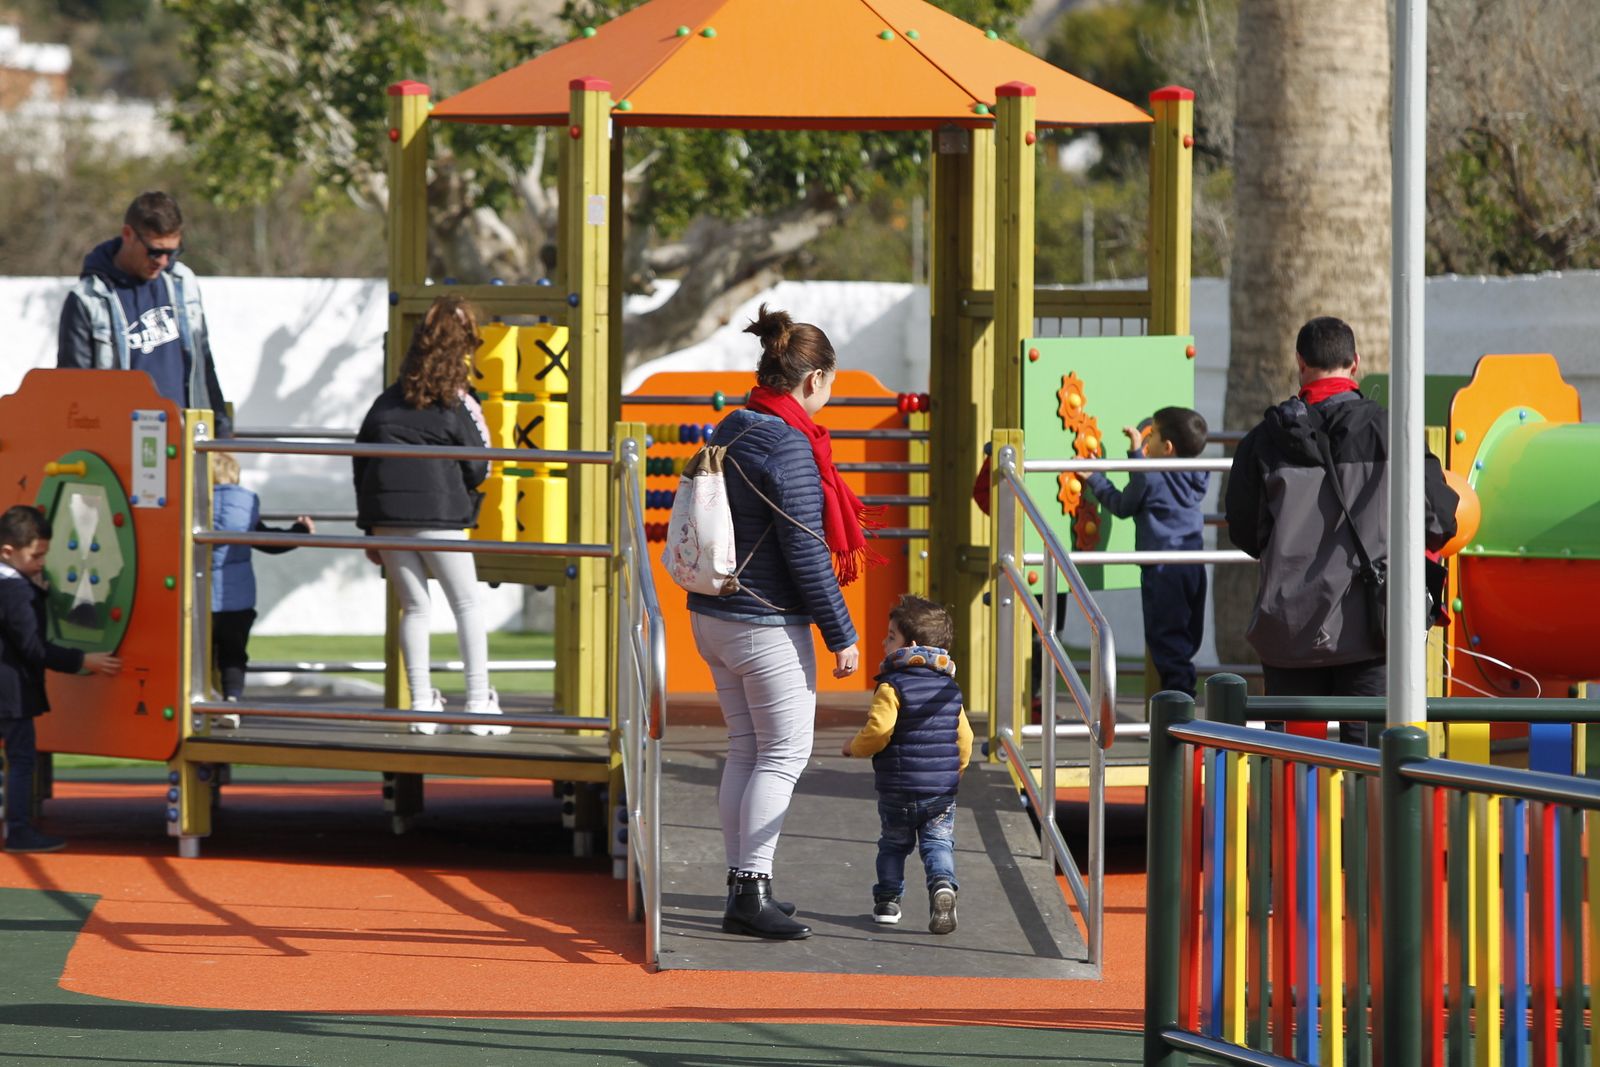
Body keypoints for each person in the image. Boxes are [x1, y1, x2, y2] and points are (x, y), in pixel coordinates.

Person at [689, 304, 869, 942]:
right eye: (833, 381)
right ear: (814, 379)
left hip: (712, 614)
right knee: (785, 754)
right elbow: (804, 547)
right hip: (763, 622)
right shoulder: (790, 443)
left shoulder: (735, 422)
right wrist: (842, 633)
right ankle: (750, 891)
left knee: (747, 749)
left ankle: (745, 882)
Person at [1225, 316, 1457, 720]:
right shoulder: (1391, 431)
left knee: (1293, 765)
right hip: (1373, 627)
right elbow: (1442, 523)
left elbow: (1245, 532)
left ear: (1300, 363)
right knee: (1371, 761)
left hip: (1289, 628)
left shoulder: (1262, 440)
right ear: (1355, 363)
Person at [353, 295, 503, 736]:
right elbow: (482, 462)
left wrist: (369, 528)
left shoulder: (387, 400)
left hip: (386, 515)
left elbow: (359, 460)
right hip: (440, 516)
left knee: (415, 608)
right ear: (464, 347)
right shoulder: (458, 402)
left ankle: (422, 705)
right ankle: (478, 704)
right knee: (467, 605)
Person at [841, 594, 973, 934]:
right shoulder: (950, 688)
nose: (883, 642)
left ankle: (887, 902)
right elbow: (965, 739)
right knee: (938, 843)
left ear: (909, 645)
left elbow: (879, 731)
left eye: (890, 636)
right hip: (940, 791)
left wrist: (854, 748)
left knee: (893, 844)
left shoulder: (891, 685)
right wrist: (955, 770)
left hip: (898, 789)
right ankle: (942, 886)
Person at [57, 191, 232, 437]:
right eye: (155, 251)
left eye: (172, 252)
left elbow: (203, 361)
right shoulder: (88, 299)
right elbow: (74, 389)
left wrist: (222, 431)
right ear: (128, 235)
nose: (162, 261)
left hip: (186, 437)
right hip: (122, 443)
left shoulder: (183, 283)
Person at [0, 506, 121, 852]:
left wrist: (37, 589)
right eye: (36, 556)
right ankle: (19, 830)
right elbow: (34, 647)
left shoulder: (16, 585)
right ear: (8, 552)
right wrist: (83, 659)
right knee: (22, 759)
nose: (41, 562)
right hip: (11, 693)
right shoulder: (16, 592)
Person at [1084, 407, 1210, 697]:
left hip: (1162, 569)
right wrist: (1138, 457)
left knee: (1165, 641)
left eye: (1149, 435)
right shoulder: (1198, 475)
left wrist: (1095, 477)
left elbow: (1123, 505)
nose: (1144, 439)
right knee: (1184, 640)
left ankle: (1176, 715)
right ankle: (1180, 703)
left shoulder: (1149, 478)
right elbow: (1150, 477)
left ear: (1166, 447)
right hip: (1192, 565)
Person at [208, 451, 315, 727]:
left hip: (197, 600)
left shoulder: (191, 503)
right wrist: (300, 531)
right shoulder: (245, 504)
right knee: (233, 655)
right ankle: (231, 703)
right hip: (238, 602)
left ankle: (203, 697)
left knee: (195, 653)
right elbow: (270, 541)